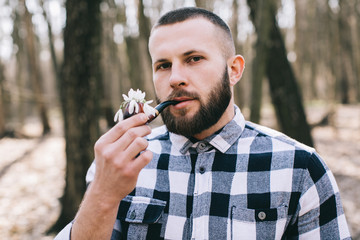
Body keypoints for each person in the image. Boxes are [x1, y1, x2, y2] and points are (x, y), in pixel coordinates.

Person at [55, 7, 351, 240]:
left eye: (194, 58)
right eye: (163, 65)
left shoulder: (300, 168)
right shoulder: (121, 164)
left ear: (233, 70)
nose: (175, 78)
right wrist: (103, 195)